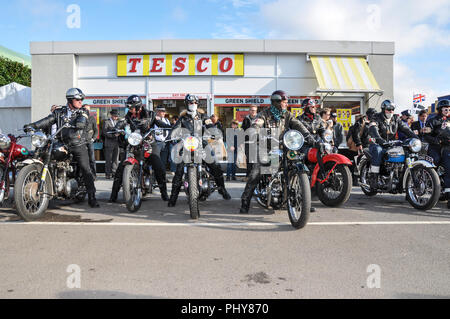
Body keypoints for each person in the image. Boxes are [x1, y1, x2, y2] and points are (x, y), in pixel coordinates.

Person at [239, 90, 315, 214]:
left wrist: (308, 136)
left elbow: (298, 125)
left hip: (284, 147)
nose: (286, 104)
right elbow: (257, 124)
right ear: (277, 102)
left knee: (295, 165)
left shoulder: (287, 115)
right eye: (284, 102)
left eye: (286, 102)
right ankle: (245, 201)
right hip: (267, 148)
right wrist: (253, 131)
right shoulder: (264, 114)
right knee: (256, 172)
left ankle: (304, 201)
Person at [23, 88, 99, 208]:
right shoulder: (60, 112)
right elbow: (48, 120)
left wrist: (80, 123)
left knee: (85, 168)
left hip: (77, 144)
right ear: (70, 100)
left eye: (81, 99)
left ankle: (92, 197)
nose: (80, 101)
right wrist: (33, 125)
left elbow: (83, 120)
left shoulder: (83, 111)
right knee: (43, 155)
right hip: (60, 143)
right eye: (78, 99)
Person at [167, 94, 231, 207]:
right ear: (187, 104)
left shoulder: (203, 117)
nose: (193, 105)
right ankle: (173, 198)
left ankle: (222, 189)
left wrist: (214, 133)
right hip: (187, 146)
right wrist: (170, 137)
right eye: (191, 103)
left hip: (202, 144)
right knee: (179, 171)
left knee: (215, 166)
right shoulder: (182, 118)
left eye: (195, 103)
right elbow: (175, 129)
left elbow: (211, 126)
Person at [109, 95, 172, 202]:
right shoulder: (129, 115)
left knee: (159, 166)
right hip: (135, 142)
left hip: (149, 143)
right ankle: (113, 196)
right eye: (129, 108)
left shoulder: (150, 114)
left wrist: (171, 127)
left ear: (138, 107)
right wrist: (116, 128)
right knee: (120, 168)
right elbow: (122, 121)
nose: (130, 110)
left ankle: (164, 194)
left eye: (131, 107)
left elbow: (159, 123)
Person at [367, 100, 418, 188]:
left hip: (391, 144)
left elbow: (406, 129)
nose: (391, 111)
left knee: (406, 152)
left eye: (392, 109)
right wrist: (381, 140)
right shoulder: (376, 118)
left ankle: (399, 177)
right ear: (383, 109)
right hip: (378, 143)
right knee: (378, 150)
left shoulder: (396, 119)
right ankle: (374, 178)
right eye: (389, 109)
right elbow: (373, 129)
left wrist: (416, 138)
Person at [424, 99, 450, 209]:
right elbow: (426, 135)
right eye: (445, 108)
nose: (447, 110)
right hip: (436, 147)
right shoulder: (432, 120)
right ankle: (437, 188)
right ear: (440, 109)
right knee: (435, 161)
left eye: (449, 108)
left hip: (447, 147)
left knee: (448, 168)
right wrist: (436, 141)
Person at [241, 105, 258, 180]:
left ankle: (255, 176)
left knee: (256, 160)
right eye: (251, 110)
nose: (253, 111)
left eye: (254, 110)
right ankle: (248, 176)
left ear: (256, 111)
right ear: (249, 111)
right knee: (249, 160)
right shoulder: (246, 119)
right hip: (248, 142)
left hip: (257, 142)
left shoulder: (259, 119)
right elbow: (242, 130)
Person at [102, 110, 120, 179]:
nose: (116, 118)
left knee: (115, 159)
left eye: (117, 116)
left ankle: (114, 173)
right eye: (115, 116)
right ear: (111, 115)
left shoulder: (118, 122)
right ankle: (108, 173)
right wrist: (113, 136)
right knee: (108, 159)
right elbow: (104, 132)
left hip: (116, 143)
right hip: (109, 143)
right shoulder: (106, 122)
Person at [83, 104, 98, 179]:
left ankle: (94, 175)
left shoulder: (92, 118)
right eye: (85, 109)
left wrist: (93, 139)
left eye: (88, 109)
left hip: (89, 142)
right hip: (81, 142)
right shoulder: (80, 118)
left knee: (92, 159)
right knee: (83, 160)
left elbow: (96, 130)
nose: (87, 111)